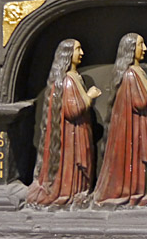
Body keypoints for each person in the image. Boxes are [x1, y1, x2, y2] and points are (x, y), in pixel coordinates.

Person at [26, 39, 101, 207]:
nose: (81, 53)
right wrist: (90, 96)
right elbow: (72, 110)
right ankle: (71, 193)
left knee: (82, 164)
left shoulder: (73, 77)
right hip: (72, 133)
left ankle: (79, 192)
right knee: (74, 163)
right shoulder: (68, 81)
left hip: (80, 129)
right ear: (68, 54)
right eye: (78, 49)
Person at [94, 34, 147, 207]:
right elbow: (141, 101)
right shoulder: (131, 75)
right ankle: (138, 193)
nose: (144, 49)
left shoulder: (137, 72)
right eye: (140, 45)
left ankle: (143, 192)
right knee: (138, 160)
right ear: (131, 50)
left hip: (142, 124)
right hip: (136, 129)